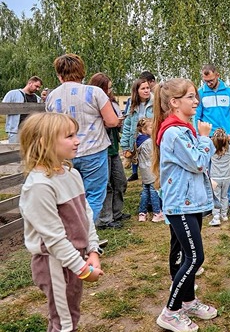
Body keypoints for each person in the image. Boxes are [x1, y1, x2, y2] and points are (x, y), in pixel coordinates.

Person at [18, 112, 103, 332]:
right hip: (56, 263)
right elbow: (54, 239)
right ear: (44, 142)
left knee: (64, 313)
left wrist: (92, 249)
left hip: (76, 257)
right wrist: (82, 269)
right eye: (69, 136)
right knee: (65, 320)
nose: (77, 141)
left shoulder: (71, 174)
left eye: (75, 134)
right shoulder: (40, 186)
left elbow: (86, 215)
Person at [153, 78, 218, 332]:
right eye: (191, 97)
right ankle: (170, 312)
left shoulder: (183, 129)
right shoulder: (174, 132)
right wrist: (205, 139)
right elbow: (198, 162)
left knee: (184, 254)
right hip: (180, 205)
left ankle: (188, 302)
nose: (196, 101)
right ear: (174, 103)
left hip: (190, 203)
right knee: (194, 257)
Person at [46, 54, 119, 222]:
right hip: (93, 150)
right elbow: (112, 121)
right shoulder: (94, 92)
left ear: (59, 74)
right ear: (82, 71)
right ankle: (85, 234)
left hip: (64, 152)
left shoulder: (51, 96)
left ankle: (69, 232)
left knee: (68, 196)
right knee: (93, 195)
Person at [195, 64, 230, 210]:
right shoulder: (201, 93)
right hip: (209, 138)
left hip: (227, 138)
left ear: (217, 75)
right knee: (209, 171)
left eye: (210, 80)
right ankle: (211, 202)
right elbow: (196, 117)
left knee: (229, 170)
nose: (208, 83)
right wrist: (198, 135)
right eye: (205, 81)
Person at [89, 73, 129, 230]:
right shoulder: (94, 103)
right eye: (108, 87)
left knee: (120, 181)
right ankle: (105, 219)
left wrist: (118, 124)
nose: (110, 90)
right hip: (101, 147)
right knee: (106, 185)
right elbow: (94, 126)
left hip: (113, 148)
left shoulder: (110, 102)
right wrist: (110, 124)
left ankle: (116, 212)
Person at [121, 78, 154, 182]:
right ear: (137, 91)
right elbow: (127, 126)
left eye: (148, 88)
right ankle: (147, 189)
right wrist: (125, 146)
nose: (146, 90)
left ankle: (152, 190)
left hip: (151, 141)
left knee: (152, 170)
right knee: (144, 169)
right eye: (143, 88)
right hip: (138, 142)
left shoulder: (154, 102)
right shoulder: (133, 105)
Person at [209, 128, 230, 227]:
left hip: (215, 177)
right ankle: (224, 214)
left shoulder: (212, 150)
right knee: (224, 196)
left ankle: (216, 217)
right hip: (226, 176)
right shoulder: (228, 150)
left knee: (216, 197)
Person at [136, 117, 164, 222]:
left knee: (145, 191)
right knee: (154, 190)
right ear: (144, 130)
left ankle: (142, 212)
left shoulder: (139, 141)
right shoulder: (148, 142)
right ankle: (157, 212)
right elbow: (154, 155)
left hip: (144, 170)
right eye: (151, 128)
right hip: (151, 168)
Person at [2, 76, 42, 143]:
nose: (37, 89)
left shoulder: (37, 98)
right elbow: (3, 108)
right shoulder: (12, 94)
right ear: (30, 83)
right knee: (14, 151)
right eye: (36, 86)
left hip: (31, 131)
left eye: (39, 87)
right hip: (16, 130)